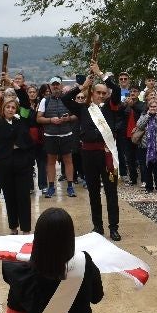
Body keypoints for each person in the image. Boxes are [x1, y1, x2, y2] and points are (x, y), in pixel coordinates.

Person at [63, 61, 122, 240]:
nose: (101, 96)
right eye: (98, 92)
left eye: (104, 93)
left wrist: (101, 73)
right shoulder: (83, 109)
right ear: (93, 93)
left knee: (111, 192)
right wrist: (82, 86)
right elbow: (65, 99)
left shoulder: (111, 107)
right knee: (93, 192)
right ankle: (98, 226)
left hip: (107, 155)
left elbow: (116, 90)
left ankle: (114, 227)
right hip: (89, 155)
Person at [0, 87, 37, 234]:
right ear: (3, 108)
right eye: (8, 107)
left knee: (23, 197)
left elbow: (25, 103)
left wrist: (15, 86)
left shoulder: (22, 120)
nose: (11, 109)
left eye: (13, 107)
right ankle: (13, 228)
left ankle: (26, 229)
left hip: (22, 164)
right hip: (4, 165)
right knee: (9, 197)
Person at [38, 80, 78, 198]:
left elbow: (77, 115)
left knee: (68, 160)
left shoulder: (68, 99)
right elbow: (38, 118)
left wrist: (68, 119)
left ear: (61, 85)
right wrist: (51, 120)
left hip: (66, 134)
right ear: (50, 87)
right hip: (50, 135)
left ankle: (70, 186)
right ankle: (51, 187)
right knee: (51, 162)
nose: (55, 87)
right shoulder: (45, 100)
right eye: (53, 85)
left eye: (57, 84)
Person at [134, 97, 157, 193]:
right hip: (146, 146)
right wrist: (148, 115)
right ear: (148, 107)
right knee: (147, 168)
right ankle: (149, 187)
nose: (153, 108)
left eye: (154, 106)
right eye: (151, 106)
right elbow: (139, 125)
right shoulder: (144, 114)